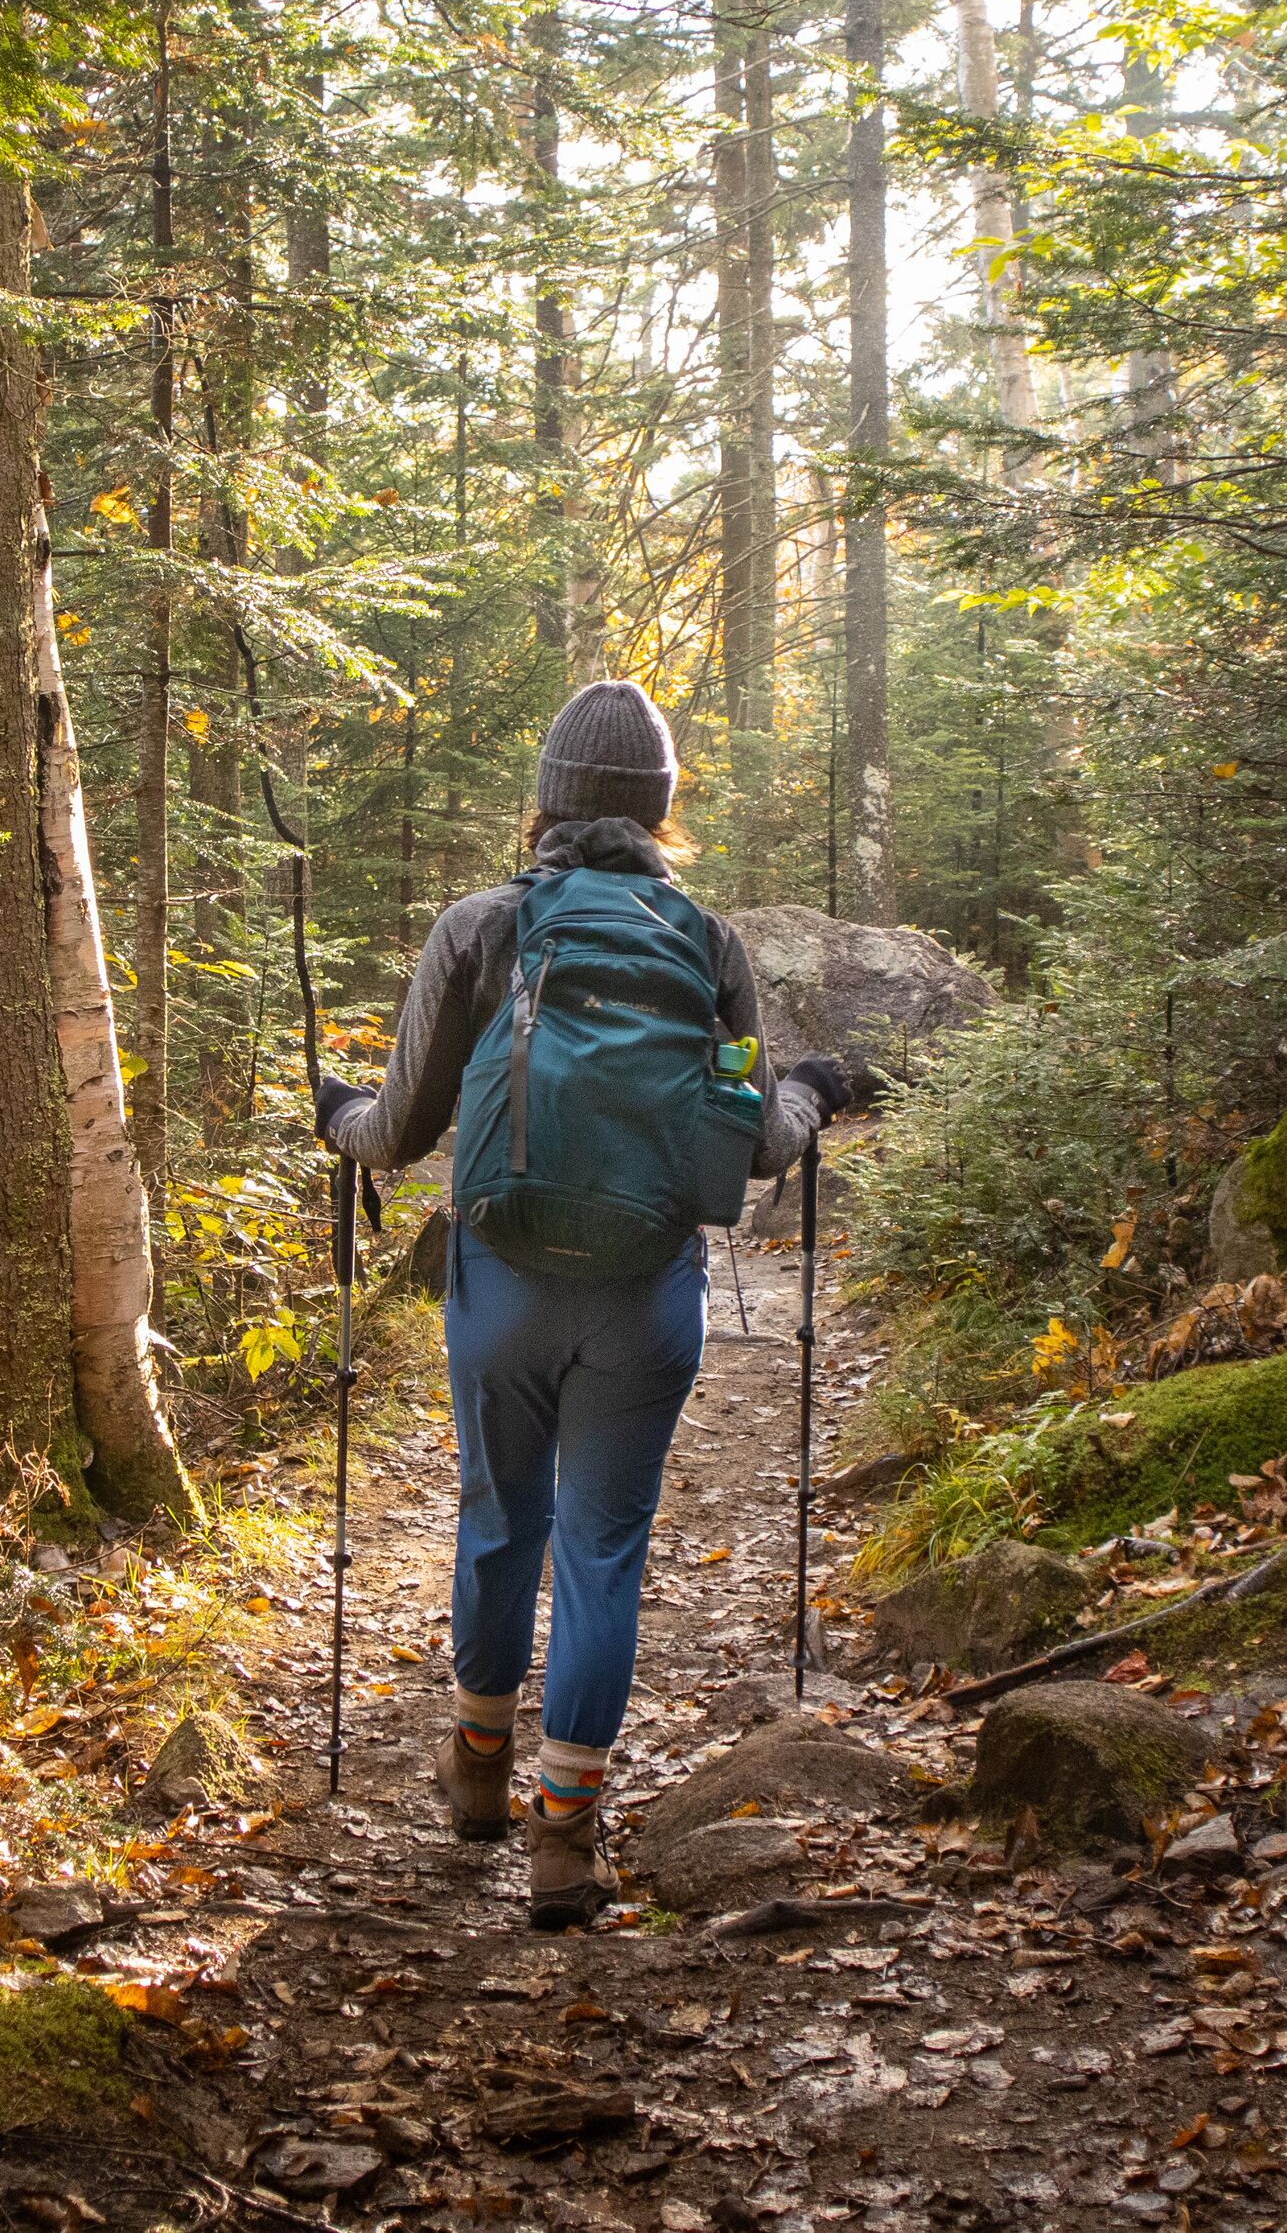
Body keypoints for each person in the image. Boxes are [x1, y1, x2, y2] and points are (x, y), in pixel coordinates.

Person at [316, 680, 848, 1929]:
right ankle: (567, 1832)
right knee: (602, 1549)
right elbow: (760, 1144)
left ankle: (477, 1770)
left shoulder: (480, 928)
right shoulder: (707, 943)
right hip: (644, 1300)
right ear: (660, 809)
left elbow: (397, 1132)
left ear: (547, 798)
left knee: (500, 1518)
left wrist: (338, 1115)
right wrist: (819, 1090)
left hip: (499, 1282)